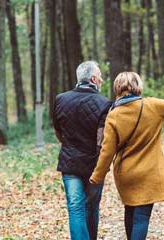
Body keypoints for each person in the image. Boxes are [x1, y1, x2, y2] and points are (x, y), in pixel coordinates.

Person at [89, 64, 164, 239]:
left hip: (125, 174)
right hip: (149, 173)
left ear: (118, 88)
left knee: (129, 211)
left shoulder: (114, 115)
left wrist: (97, 176)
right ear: (137, 86)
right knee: (142, 217)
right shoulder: (153, 105)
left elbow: (107, 151)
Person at [52, 61, 113, 240]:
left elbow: (58, 130)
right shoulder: (104, 103)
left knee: (75, 207)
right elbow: (101, 140)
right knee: (91, 207)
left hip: (69, 163)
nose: (101, 80)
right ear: (93, 79)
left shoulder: (60, 99)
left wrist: (70, 145)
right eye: (100, 76)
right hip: (94, 164)